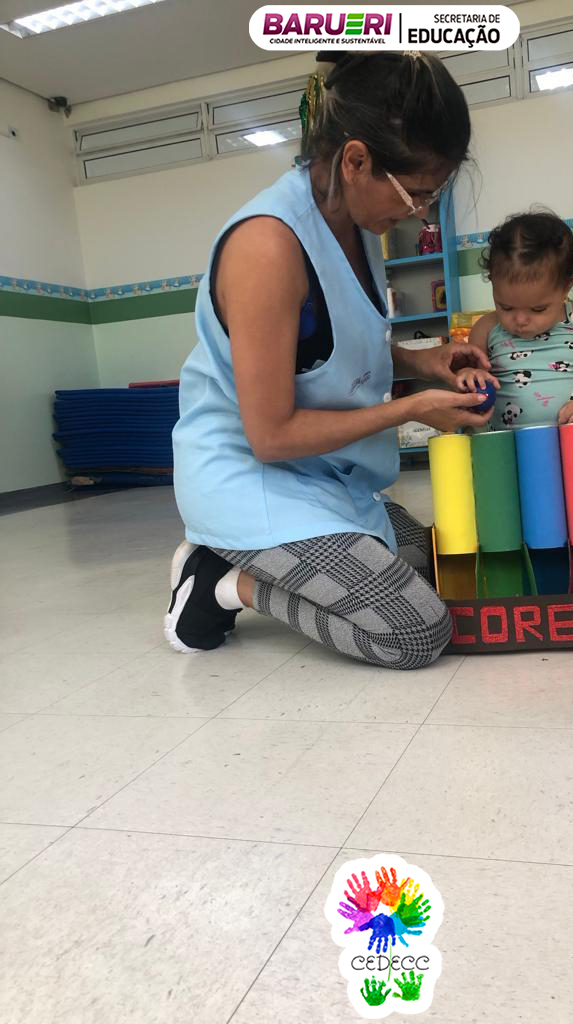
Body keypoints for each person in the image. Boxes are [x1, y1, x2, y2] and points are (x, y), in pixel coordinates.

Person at [166, 51, 494, 670]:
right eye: (418, 194)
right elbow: (271, 435)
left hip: (325, 472)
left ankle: (247, 560)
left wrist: (424, 363)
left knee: (431, 558)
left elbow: (331, 350)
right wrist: (411, 410)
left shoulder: (358, 223)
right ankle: (220, 583)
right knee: (415, 632)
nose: (421, 213)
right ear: (356, 161)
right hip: (252, 476)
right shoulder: (267, 247)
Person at [455, 211, 573, 428]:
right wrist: (468, 375)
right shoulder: (486, 328)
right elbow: (471, 374)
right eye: (506, 307)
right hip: (507, 442)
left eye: (538, 309)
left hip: (570, 437)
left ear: (566, 288)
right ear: (493, 282)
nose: (520, 320)